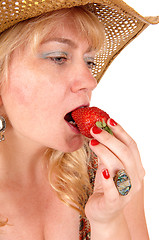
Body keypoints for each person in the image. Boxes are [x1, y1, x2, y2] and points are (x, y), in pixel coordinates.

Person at [0, 1, 158, 239]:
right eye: (58, 57)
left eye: (89, 61)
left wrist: (108, 221)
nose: (90, 81)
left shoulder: (110, 174)